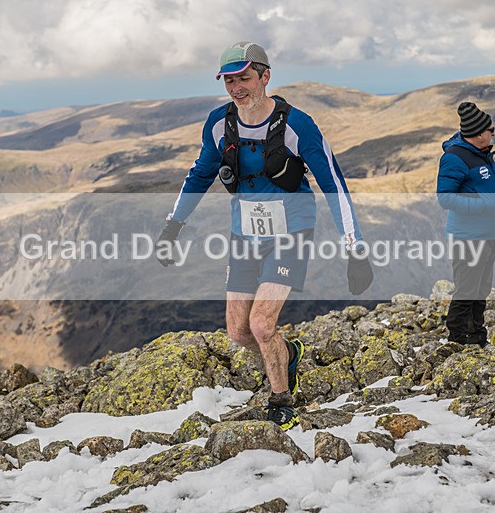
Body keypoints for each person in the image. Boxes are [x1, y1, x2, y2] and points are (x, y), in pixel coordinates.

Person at [155, 41, 373, 430]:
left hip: (291, 230)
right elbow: (199, 175)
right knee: (239, 332)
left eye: (245, 78)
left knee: (261, 324)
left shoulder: (297, 125)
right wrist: (173, 227)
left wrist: (354, 248)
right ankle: (287, 354)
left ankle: (281, 399)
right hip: (246, 233)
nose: (237, 88)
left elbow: (333, 184)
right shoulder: (219, 124)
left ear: (265, 76)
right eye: (229, 80)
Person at [436, 102, 495, 347]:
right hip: (467, 236)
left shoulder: (482, 152)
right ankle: (457, 340)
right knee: (467, 290)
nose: (493, 132)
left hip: (486, 234)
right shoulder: (455, 158)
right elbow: (445, 197)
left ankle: (476, 336)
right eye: (491, 129)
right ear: (478, 133)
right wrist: (483, 204)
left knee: (481, 288)